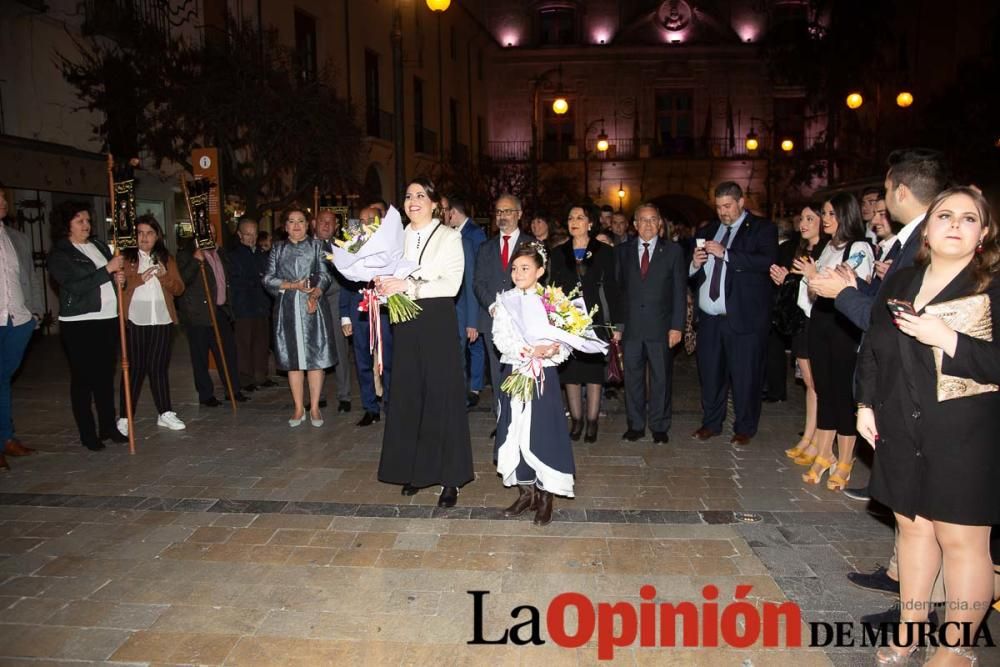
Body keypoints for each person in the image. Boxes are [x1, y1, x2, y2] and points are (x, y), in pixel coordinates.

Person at [856, 186, 1000, 665]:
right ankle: (909, 630)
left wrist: (949, 340)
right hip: (899, 422)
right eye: (944, 215)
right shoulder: (902, 281)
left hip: (966, 431)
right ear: (928, 228)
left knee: (961, 541)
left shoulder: (991, 285)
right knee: (912, 530)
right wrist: (865, 404)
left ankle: (957, 648)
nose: (955, 224)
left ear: (983, 232)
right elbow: (874, 347)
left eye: (968, 218)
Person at [809, 149, 953, 625]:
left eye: (885, 192)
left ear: (901, 192)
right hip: (896, 387)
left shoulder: (923, 244)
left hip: (915, 391)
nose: (880, 203)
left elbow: (890, 318)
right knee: (911, 510)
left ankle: (924, 602)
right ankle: (902, 579)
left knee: (927, 509)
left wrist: (844, 294)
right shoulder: (908, 241)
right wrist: (858, 287)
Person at [375, 178, 473, 507]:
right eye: (408, 195)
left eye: (421, 195)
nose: (413, 200)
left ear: (434, 204)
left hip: (436, 322)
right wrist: (381, 289)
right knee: (408, 395)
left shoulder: (449, 237)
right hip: (404, 324)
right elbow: (388, 280)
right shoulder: (395, 238)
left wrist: (409, 286)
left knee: (441, 397)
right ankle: (416, 470)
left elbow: (452, 283)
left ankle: (450, 479)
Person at [689, 182, 778, 446]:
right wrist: (694, 264)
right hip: (710, 319)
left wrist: (727, 254)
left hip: (744, 318)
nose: (723, 212)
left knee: (745, 376)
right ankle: (711, 423)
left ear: (741, 203)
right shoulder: (707, 230)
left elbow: (766, 262)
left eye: (727, 206)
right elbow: (694, 275)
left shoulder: (762, 229)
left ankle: (745, 427)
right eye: (718, 207)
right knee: (710, 374)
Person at [795, 194, 873, 490]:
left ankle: (846, 459)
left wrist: (814, 276)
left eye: (831, 213)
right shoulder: (828, 246)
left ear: (846, 215)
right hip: (820, 321)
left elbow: (854, 285)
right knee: (824, 389)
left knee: (842, 392)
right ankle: (824, 452)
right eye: (825, 213)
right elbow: (816, 287)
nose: (826, 218)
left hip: (844, 326)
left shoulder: (859, 247)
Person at [492, 243, 574, 525]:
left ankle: (545, 495)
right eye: (514, 268)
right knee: (515, 430)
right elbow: (500, 338)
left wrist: (552, 349)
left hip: (543, 376)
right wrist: (528, 351)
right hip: (516, 371)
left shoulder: (553, 301)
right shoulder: (504, 300)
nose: (518, 273)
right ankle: (525, 491)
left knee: (542, 432)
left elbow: (566, 340)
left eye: (525, 268)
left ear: (540, 271)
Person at [46, 201, 129, 451]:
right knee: (83, 378)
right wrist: (108, 270)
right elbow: (76, 285)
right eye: (80, 221)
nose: (87, 225)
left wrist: (119, 280)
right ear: (66, 225)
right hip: (80, 322)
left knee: (105, 376)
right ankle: (87, 432)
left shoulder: (100, 246)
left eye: (88, 220)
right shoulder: (61, 254)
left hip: (106, 318)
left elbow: (110, 277)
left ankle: (107, 426)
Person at [549, 203, 623, 443]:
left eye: (580, 217)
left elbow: (613, 289)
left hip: (596, 319)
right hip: (568, 322)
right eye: (571, 217)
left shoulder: (604, 251)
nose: (575, 221)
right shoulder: (559, 253)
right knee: (571, 371)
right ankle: (576, 420)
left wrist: (617, 326)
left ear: (590, 223)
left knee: (592, 372)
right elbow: (552, 289)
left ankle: (592, 421)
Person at [616, 204, 685, 443]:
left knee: (661, 378)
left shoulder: (673, 251)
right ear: (634, 225)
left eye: (652, 220)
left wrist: (677, 326)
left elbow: (679, 291)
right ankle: (635, 424)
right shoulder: (622, 251)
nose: (647, 225)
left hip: (661, 327)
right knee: (632, 378)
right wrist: (617, 326)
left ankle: (659, 426)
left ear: (660, 224)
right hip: (632, 328)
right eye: (642, 220)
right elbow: (618, 292)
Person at [112, 215, 185, 435]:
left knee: (159, 368)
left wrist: (164, 277)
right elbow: (118, 288)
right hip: (135, 320)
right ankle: (125, 415)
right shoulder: (124, 258)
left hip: (162, 319)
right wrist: (139, 279)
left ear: (157, 236)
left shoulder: (166, 258)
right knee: (135, 369)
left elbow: (179, 289)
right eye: (140, 233)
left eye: (149, 233)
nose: (145, 237)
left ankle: (165, 412)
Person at [263, 207, 336, 427]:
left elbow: (325, 275)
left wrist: (315, 293)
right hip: (287, 307)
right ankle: (297, 408)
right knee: (293, 360)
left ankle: (314, 407)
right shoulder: (277, 249)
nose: (296, 226)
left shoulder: (317, 247)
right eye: (292, 222)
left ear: (308, 224)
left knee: (315, 358)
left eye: (301, 221)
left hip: (312, 307)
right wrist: (292, 285)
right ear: (285, 227)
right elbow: (267, 279)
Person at [773, 204, 827, 463]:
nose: (803, 223)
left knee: (817, 383)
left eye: (810, 218)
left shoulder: (826, 252)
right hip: (800, 323)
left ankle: (819, 440)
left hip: (817, 323)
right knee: (809, 383)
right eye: (801, 218)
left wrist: (789, 280)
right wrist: (786, 281)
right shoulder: (799, 250)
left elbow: (816, 288)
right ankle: (808, 436)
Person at [474, 194, 534, 420]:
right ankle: (501, 417)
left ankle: (522, 417)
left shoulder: (531, 244)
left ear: (519, 214)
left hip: (522, 321)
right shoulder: (485, 247)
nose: (502, 216)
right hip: (493, 319)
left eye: (507, 211)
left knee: (520, 368)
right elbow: (477, 282)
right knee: (497, 370)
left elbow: (540, 281)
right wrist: (492, 305)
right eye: (498, 212)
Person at [176, 230, 248, 407]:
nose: (210, 235)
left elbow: (226, 279)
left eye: (213, 232)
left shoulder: (220, 252)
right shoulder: (186, 254)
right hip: (198, 313)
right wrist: (195, 261)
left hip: (220, 310)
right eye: (205, 231)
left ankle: (233, 390)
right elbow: (181, 282)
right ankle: (205, 394)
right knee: (200, 355)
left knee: (228, 352)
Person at [339, 206, 393, 427]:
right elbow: (345, 280)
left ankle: (390, 404)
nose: (365, 223)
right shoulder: (353, 245)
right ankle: (371, 408)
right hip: (359, 311)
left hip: (385, 310)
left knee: (388, 361)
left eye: (370, 219)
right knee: (362, 361)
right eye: (361, 219)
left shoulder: (391, 245)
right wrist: (345, 316)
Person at [0, 189, 42, 468]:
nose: (3, 203)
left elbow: (30, 276)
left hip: (18, 319)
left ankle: (6, 438)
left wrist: (35, 313)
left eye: (4, 198)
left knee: (3, 379)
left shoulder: (17, 238)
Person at [443, 194, 487, 408]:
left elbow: (473, 277)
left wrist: (473, 319)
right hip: (443, 310)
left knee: (468, 349)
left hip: (463, 308)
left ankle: (471, 389)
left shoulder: (470, 238)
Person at [226, 217, 275, 392]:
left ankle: (261, 375)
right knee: (244, 344)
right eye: (247, 234)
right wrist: (259, 280)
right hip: (244, 306)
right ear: (239, 235)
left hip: (261, 305)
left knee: (262, 342)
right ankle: (245, 379)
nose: (251, 238)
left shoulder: (261, 255)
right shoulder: (234, 256)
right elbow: (236, 281)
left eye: (254, 234)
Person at [312, 209, 352, 413]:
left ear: (336, 227)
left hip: (336, 300)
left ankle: (344, 395)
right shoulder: (306, 246)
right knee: (315, 348)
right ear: (314, 223)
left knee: (340, 348)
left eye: (331, 222)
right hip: (313, 300)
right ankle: (316, 396)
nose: (326, 225)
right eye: (322, 221)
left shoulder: (341, 247)